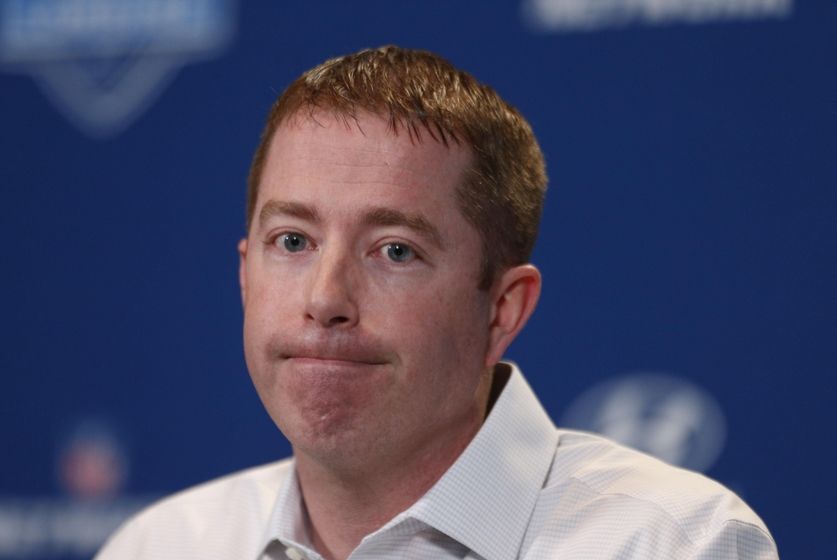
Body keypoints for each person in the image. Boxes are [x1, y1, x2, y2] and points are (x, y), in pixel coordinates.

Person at [95, 46, 778, 560]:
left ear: (502, 309)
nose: (325, 297)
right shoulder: (159, 545)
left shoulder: (670, 543)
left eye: (395, 250)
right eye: (293, 240)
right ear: (245, 277)